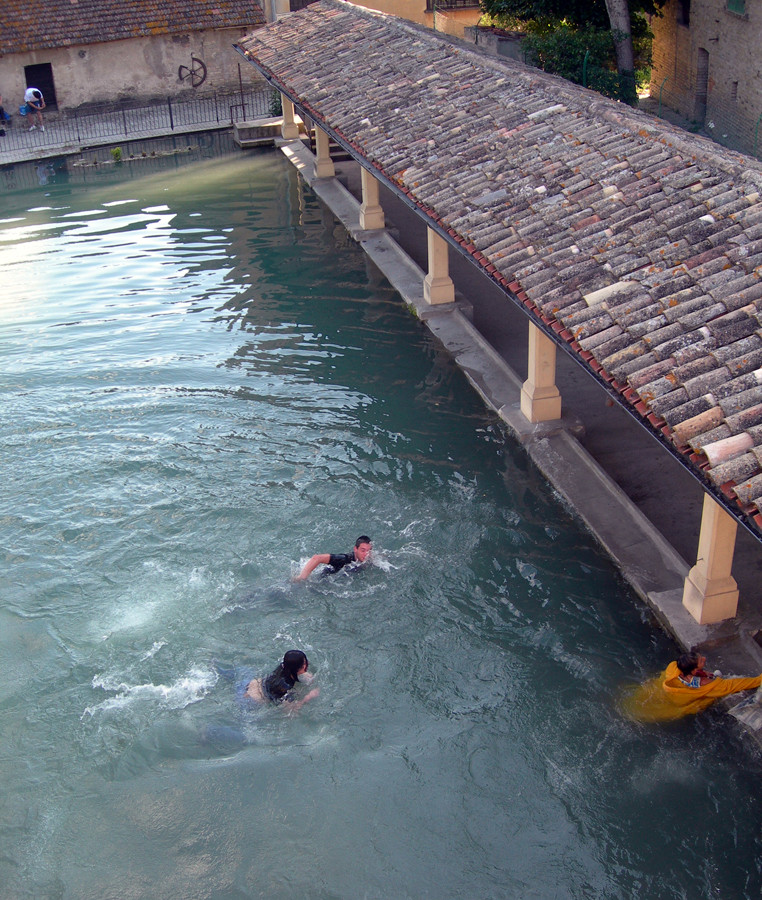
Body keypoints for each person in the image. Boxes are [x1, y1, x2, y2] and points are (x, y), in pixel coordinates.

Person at [621, 650, 762, 722]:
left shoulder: (673, 667)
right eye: (701, 660)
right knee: (708, 698)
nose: (704, 659)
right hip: (680, 701)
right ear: (693, 670)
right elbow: (735, 685)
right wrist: (758, 679)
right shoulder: (705, 685)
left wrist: (701, 672)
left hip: (666, 694)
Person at [241, 649, 319, 709]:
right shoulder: (286, 686)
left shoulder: (283, 666)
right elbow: (290, 709)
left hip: (251, 683)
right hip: (252, 701)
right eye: (304, 664)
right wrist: (308, 696)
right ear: (297, 668)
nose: (307, 664)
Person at [295, 534, 372, 581]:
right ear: (355, 549)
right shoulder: (344, 559)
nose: (366, 554)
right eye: (363, 550)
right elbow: (317, 558)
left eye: (368, 551)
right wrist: (301, 577)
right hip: (324, 579)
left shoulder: (369, 557)